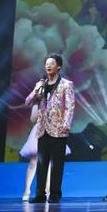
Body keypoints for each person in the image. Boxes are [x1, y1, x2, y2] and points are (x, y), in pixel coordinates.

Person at [25, 53, 75, 203]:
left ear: (58, 66)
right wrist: (37, 89)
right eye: (46, 63)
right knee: (41, 163)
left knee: (57, 164)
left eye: (51, 63)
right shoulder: (41, 84)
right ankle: (40, 194)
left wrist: (66, 125)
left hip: (59, 129)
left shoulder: (66, 84)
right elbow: (28, 102)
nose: (48, 66)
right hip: (43, 129)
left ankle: (55, 194)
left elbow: (70, 107)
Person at [19, 105, 70, 201]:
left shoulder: (56, 101)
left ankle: (47, 190)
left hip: (53, 130)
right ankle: (27, 190)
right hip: (40, 130)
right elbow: (33, 119)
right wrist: (39, 109)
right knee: (33, 162)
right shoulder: (38, 103)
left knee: (50, 163)